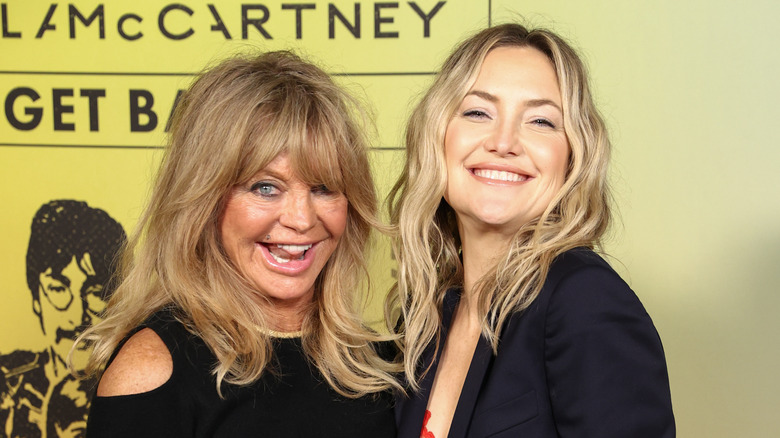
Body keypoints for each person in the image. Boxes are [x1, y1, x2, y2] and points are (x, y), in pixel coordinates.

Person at [75, 51, 400, 437]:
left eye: (324, 188)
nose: (302, 219)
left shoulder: (381, 367)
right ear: (205, 199)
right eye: (265, 187)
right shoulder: (153, 370)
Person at [389, 23, 675, 437]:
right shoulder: (427, 314)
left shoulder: (585, 300)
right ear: (437, 137)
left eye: (540, 121)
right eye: (477, 112)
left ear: (573, 157)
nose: (504, 142)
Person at [0, 199, 126, 438]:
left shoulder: (150, 386)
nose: (76, 317)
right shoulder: (8, 384)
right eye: (58, 290)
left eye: (95, 292)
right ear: (36, 297)